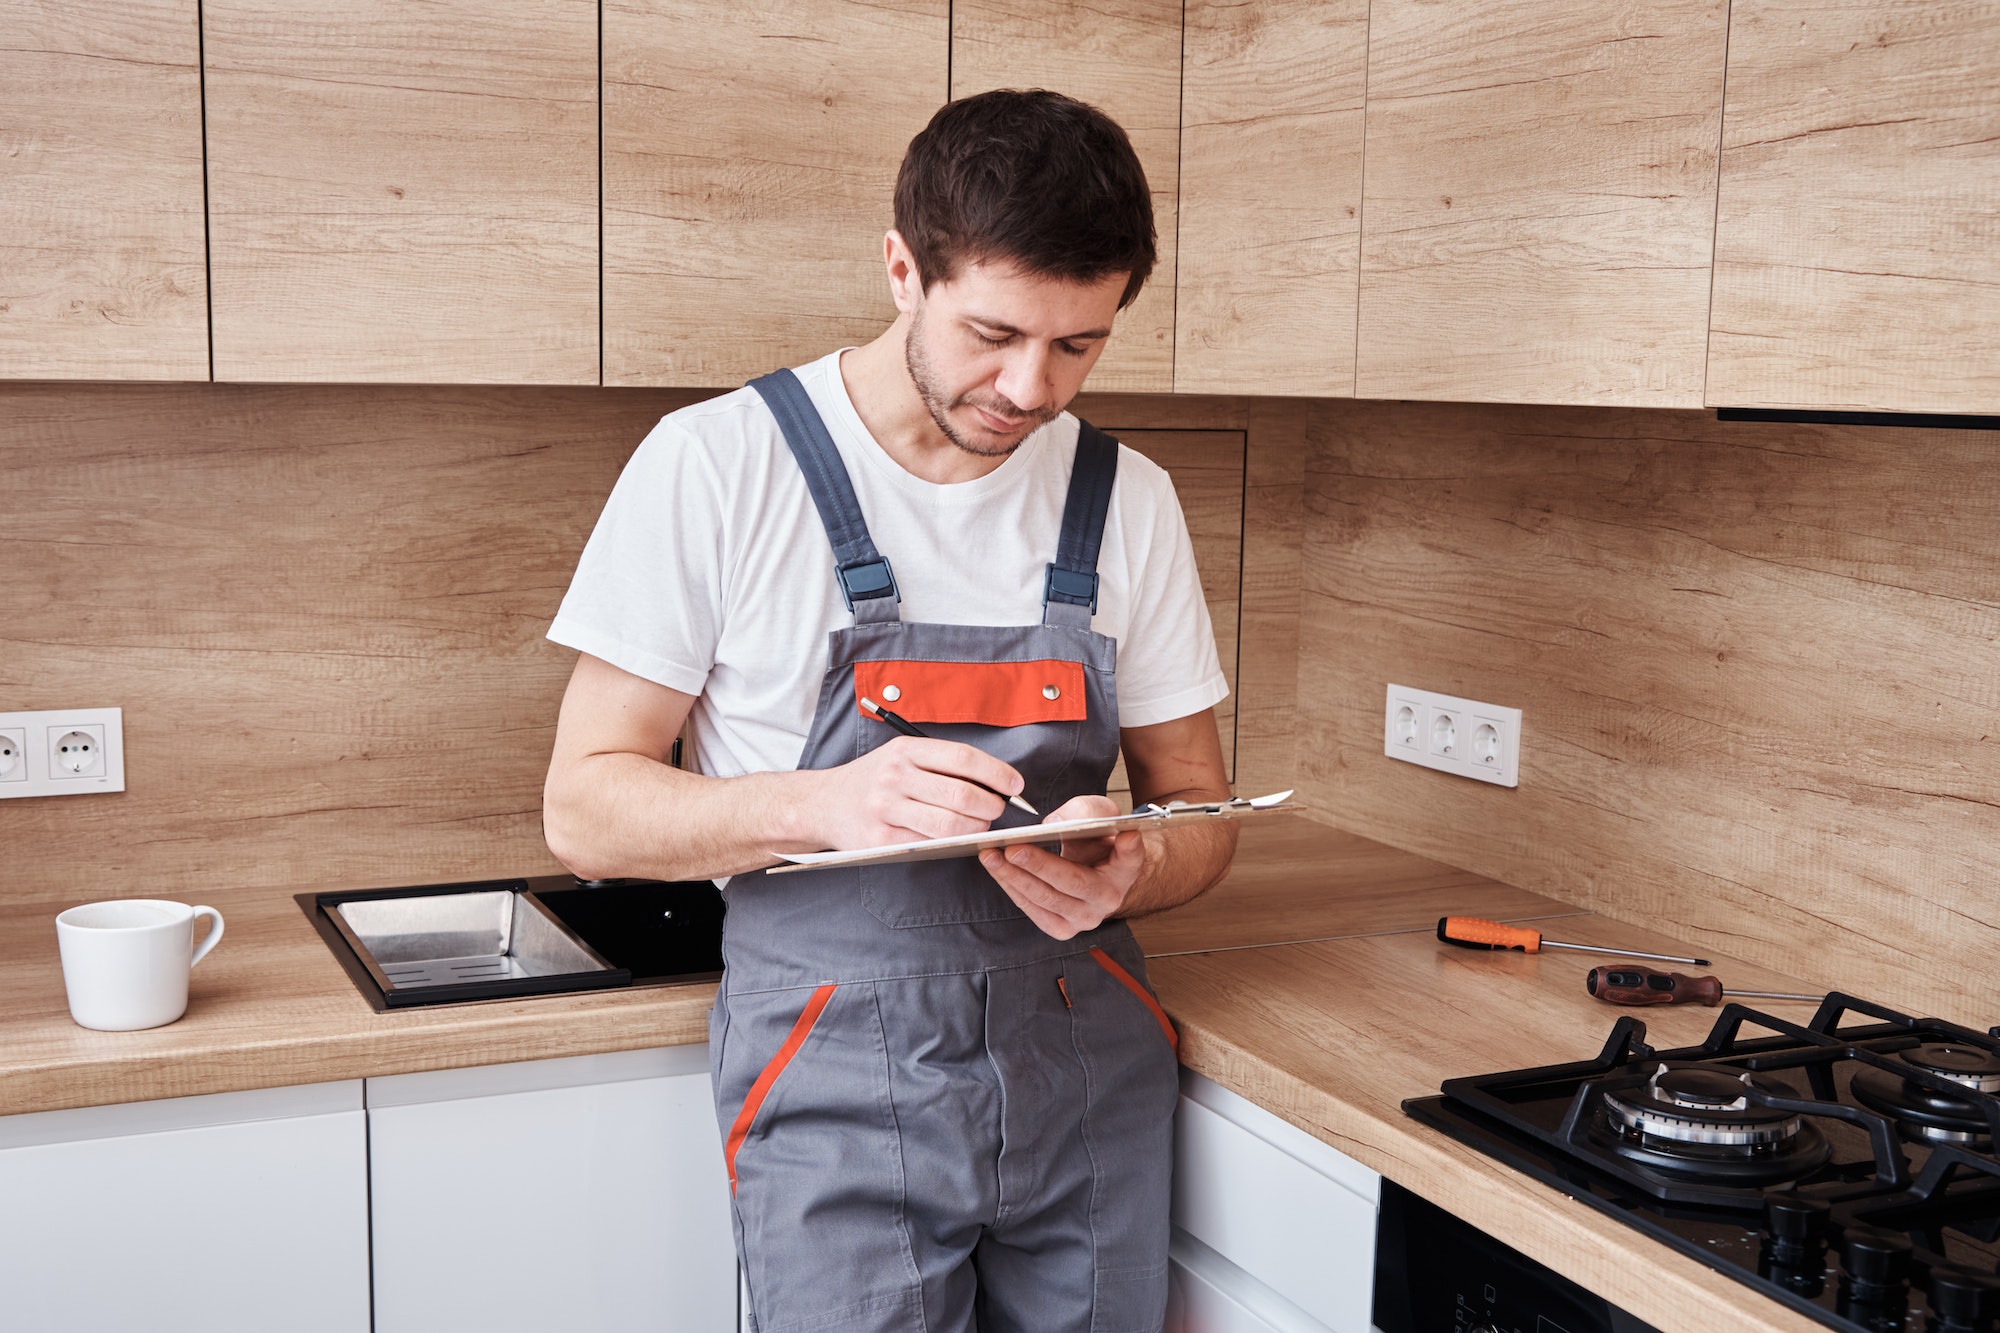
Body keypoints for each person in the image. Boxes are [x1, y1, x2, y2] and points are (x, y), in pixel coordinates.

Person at [543, 88, 1238, 1333]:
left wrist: (1131, 866)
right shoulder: (717, 463)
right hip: (832, 1064)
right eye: (992, 332)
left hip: (1082, 1052)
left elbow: (1202, 811)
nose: (1028, 388)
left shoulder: (1128, 499)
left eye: (1077, 345)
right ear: (901, 269)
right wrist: (824, 803)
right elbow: (585, 807)